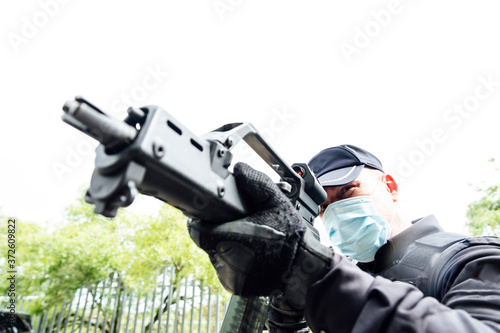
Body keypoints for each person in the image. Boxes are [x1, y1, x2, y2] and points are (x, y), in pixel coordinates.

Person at [188, 144, 500, 332]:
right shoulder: (348, 276)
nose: (337, 210)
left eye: (349, 191)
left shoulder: (469, 257)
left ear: (389, 186)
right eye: (324, 206)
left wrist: (315, 276)